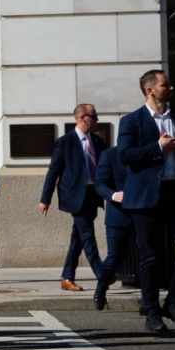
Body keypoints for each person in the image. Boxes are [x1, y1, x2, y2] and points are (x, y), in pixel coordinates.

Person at [117, 70, 175, 332]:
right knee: (151, 257)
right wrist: (158, 148)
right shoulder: (132, 121)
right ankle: (152, 312)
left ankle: (174, 303)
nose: (171, 87)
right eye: (165, 84)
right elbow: (125, 155)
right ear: (150, 90)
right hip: (146, 197)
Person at [38, 104, 106, 292]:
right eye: (94, 116)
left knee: (78, 238)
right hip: (76, 196)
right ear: (82, 118)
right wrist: (46, 199)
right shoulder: (65, 142)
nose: (97, 120)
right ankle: (102, 274)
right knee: (87, 235)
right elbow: (54, 172)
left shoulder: (98, 142)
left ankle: (67, 277)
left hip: (94, 194)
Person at [93, 147, 132, 310]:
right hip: (118, 214)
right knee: (114, 257)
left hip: (143, 213)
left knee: (148, 257)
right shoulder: (109, 154)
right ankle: (101, 288)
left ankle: (148, 301)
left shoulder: (148, 153)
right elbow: (100, 184)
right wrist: (113, 195)